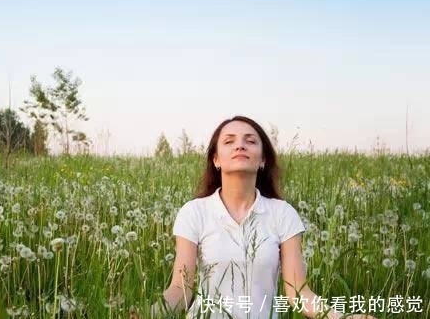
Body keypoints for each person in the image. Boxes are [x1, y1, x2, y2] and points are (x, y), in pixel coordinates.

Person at [148, 116, 376, 319]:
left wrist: (342, 317)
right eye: (229, 141)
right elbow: (181, 289)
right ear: (216, 160)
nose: (240, 145)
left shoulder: (282, 213)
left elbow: (298, 293)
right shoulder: (194, 212)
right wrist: (145, 312)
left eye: (250, 141)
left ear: (263, 159)